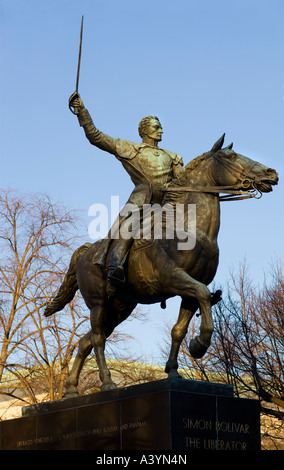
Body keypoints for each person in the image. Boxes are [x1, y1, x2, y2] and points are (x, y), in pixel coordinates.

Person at [69, 92, 183, 296]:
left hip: (167, 207)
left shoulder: (172, 157)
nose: (161, 130)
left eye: (161, 127)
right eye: (156, 127)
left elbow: (182, 184)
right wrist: (81, 112)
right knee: (128, 228)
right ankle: (114, 268)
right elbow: (96, 136)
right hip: (140, 204)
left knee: (192, 233)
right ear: (144, 131)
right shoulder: (130, 149)